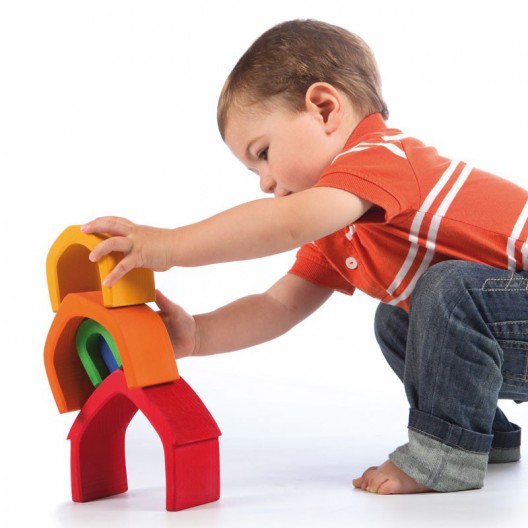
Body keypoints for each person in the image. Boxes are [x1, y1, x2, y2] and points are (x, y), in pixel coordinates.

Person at [81, 19, 528, 494]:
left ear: (324, 108)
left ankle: (444, 457)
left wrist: (168, 245)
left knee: (448, 291)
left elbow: (288, 222)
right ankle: (478, 433)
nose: (266, 183)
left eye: (264, 153)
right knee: (398, 318)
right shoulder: (340, 226)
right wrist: (198, 334)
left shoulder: (384, 156)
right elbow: (279, 305)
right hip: (508, 327)